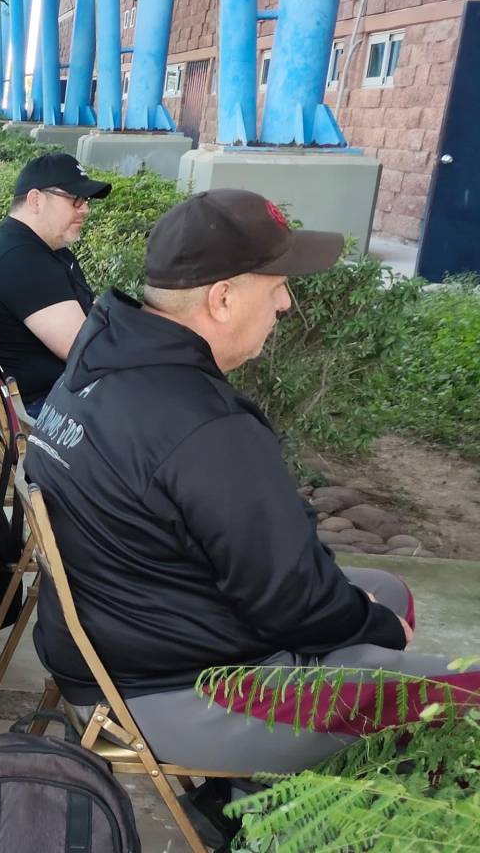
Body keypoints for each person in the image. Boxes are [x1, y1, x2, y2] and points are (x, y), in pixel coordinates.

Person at [28, 188, 478, 776]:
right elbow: (294, 603)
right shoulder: (202, 425)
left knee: (386, 593)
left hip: (118, 643)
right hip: (173, 692)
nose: (287, 303)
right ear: (221, 299)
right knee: (462, 690)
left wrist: (358, 612)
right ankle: (281, 833)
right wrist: (372, 624)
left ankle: (265, 807)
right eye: (276, 287)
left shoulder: (100, 364)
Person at [0, 152, 110, 412]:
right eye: (75, 199)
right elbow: (89, 354)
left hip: (52, 395)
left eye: (86, 200)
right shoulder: (22, 261)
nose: (85, 208)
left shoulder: (35, 247)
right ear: (36, 200)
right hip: (46, 407)